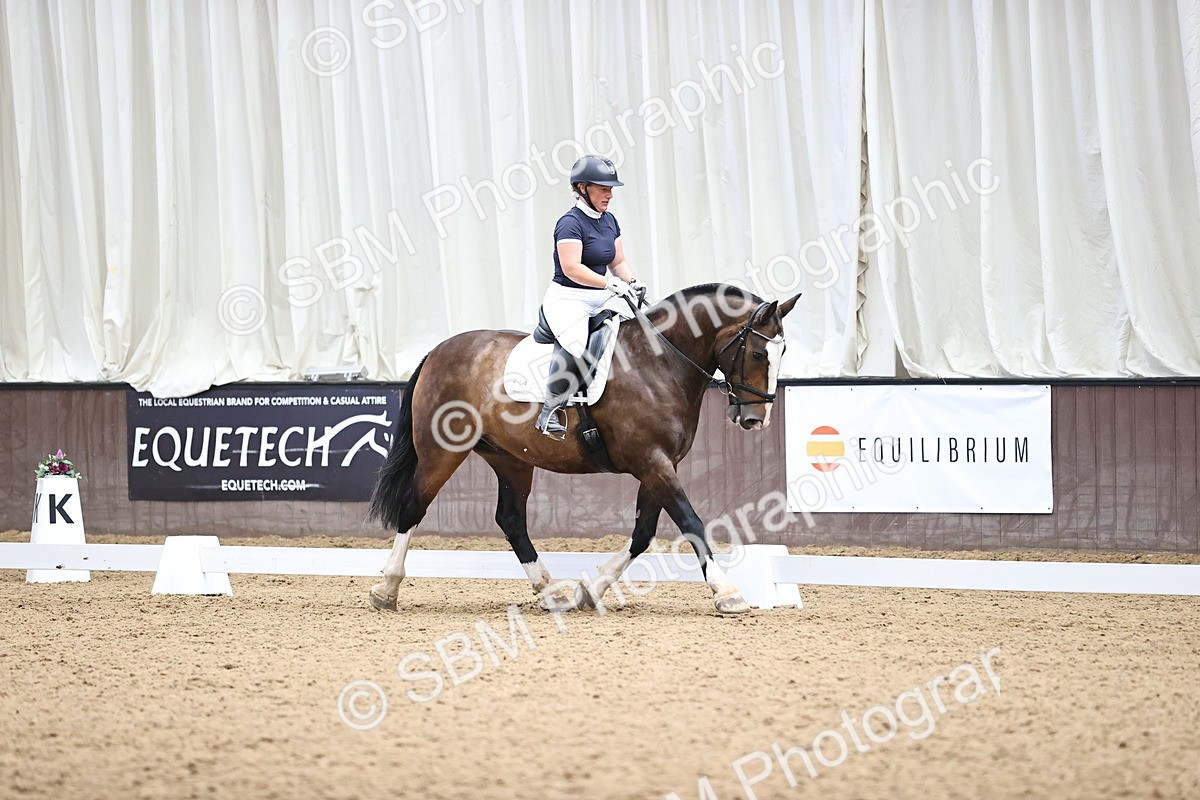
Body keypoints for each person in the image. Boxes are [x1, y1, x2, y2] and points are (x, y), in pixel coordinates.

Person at [535, 154, 646, 437]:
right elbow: (571, 268)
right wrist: (608, 284)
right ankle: (550, 411)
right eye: (603, 188)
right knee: (576, 344)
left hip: (600, 295)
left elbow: (618, 261)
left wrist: (632, 282)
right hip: (568, 298)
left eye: (611, 189)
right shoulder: (569, 223)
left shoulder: (609, 221)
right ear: (583, 188)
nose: (609, 195)